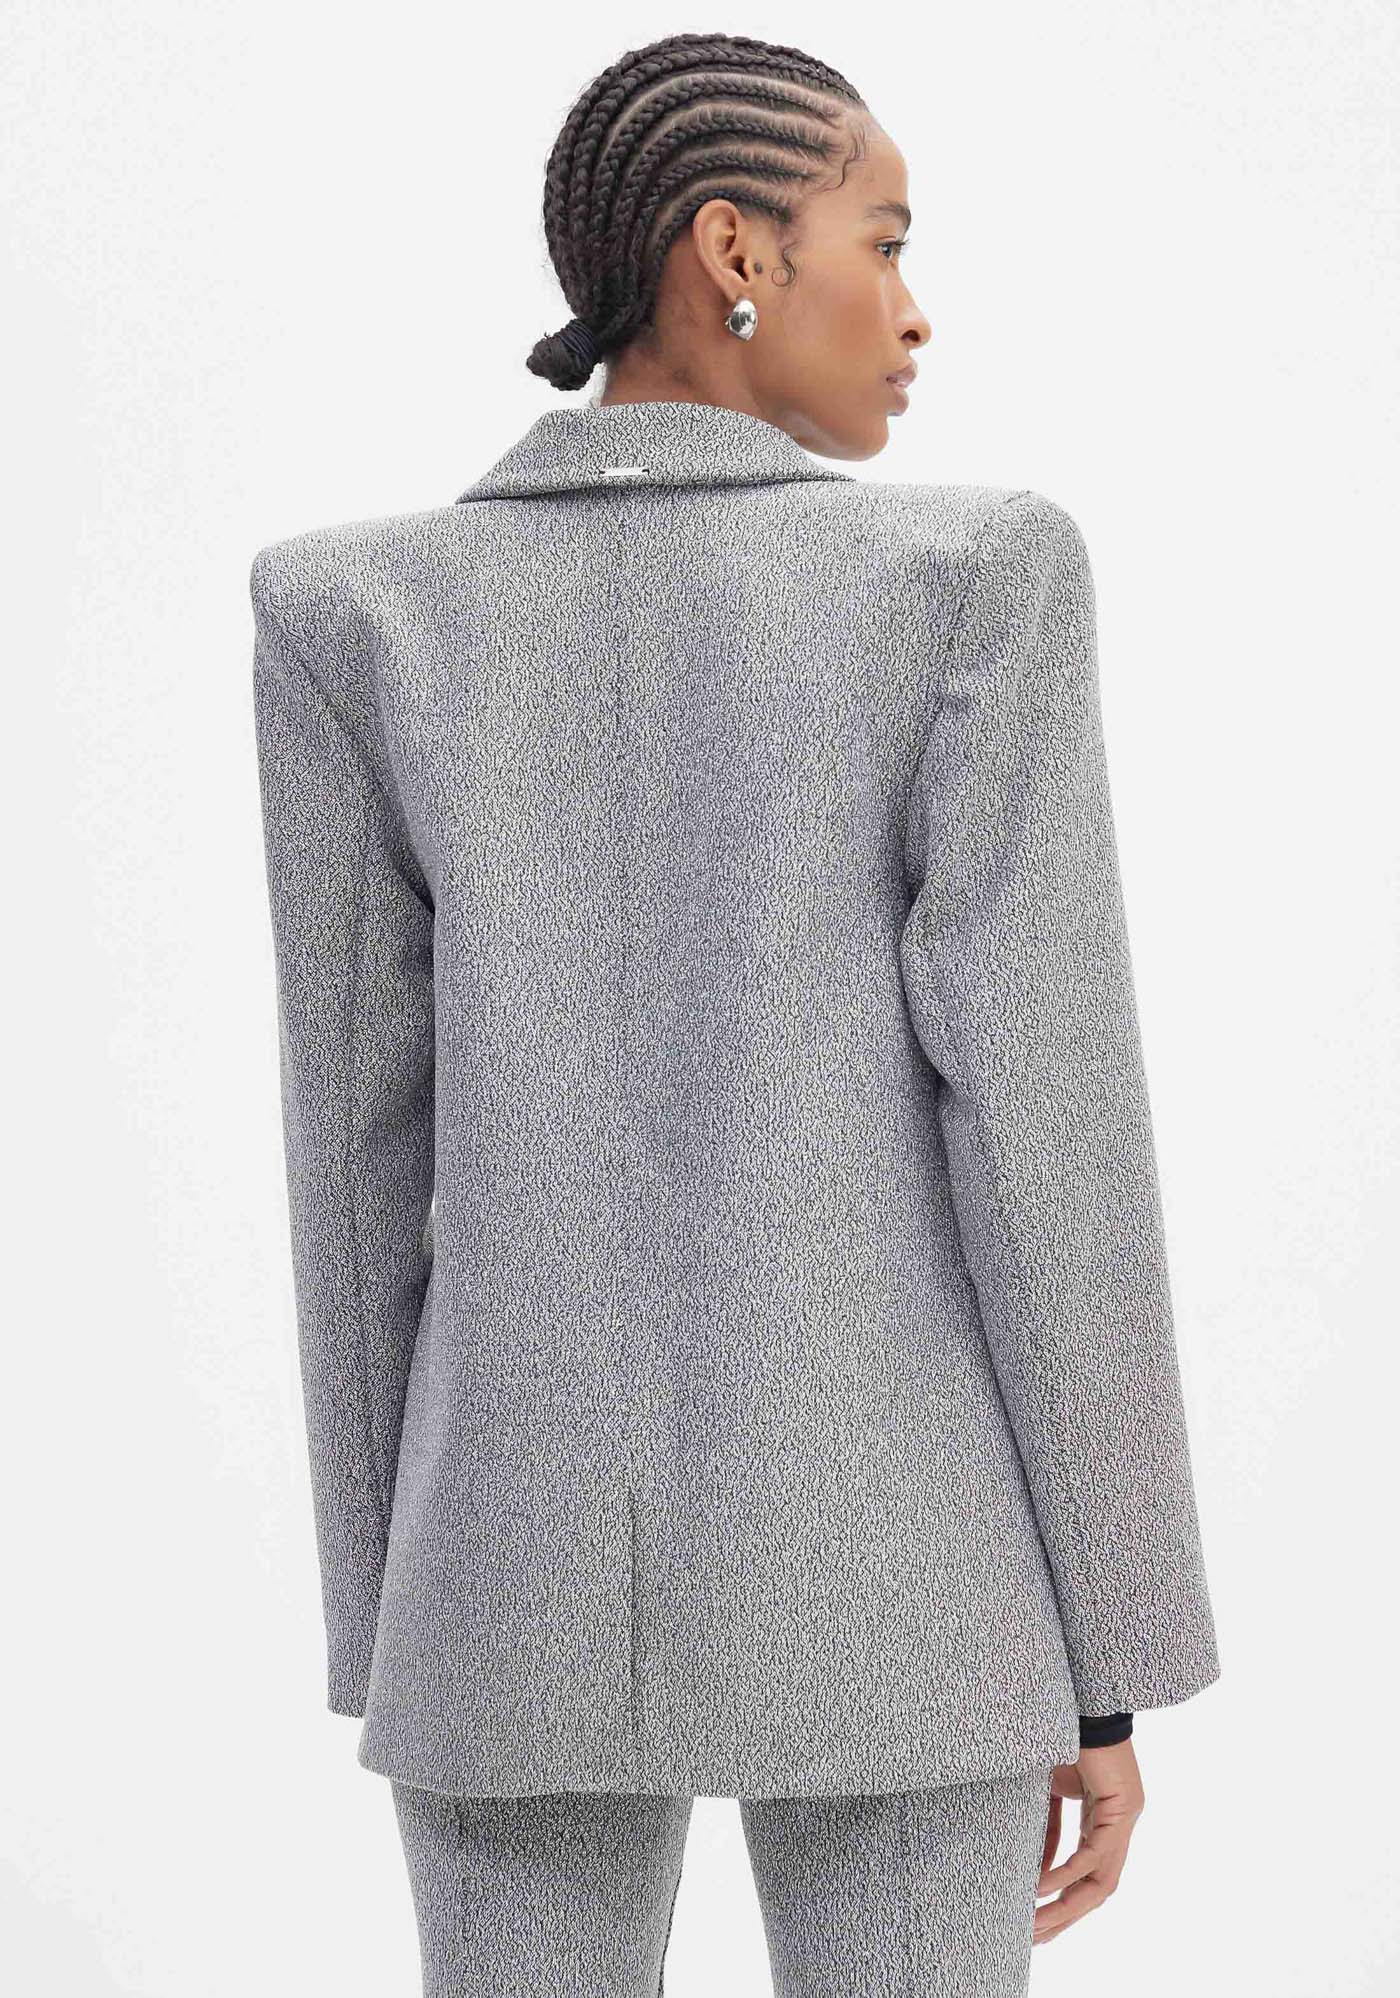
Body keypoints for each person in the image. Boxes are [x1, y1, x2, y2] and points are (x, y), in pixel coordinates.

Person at [249, 29, 1221, 1997]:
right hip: (912, 1573)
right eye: (889, 238)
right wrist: (1107, 1655)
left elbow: (353, 1161)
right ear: (734, 251)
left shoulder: (352, 612)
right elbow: (1045, 1137)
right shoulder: (972, 576)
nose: (917, 309)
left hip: (496, 1572)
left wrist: (393, 1620)